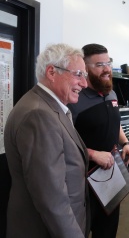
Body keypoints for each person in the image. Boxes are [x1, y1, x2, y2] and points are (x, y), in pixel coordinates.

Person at [4, 43, 90, 237]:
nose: (84, 84)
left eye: (84, 76)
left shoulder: (49, 108)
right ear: (52, 72)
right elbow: (53, 200)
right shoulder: (38, 115)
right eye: (78, 74)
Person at [68, 43, 129, 238]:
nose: (107, 69)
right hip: (82, 181)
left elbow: (115, 123)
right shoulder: (74, 98)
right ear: (85, 69)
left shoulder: (111, 93)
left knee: (108, 230)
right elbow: (62, 140)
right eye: (99, 65)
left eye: (108, 62)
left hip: (111, 176)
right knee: (80, 229)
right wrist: (93, 154)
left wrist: (125, 143)